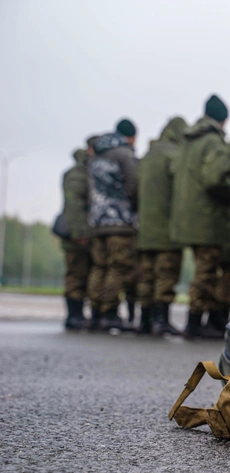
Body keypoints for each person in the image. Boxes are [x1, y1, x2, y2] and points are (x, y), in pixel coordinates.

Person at [170, 95, 230, 339]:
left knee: (202, 268)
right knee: (206, 272)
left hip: (187, 216)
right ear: (223, 120)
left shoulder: (188, 141)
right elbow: (213, 179)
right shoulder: (213, 142)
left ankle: (201, 321)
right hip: (208, 216)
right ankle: (195, 323)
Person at [136, 116, 188, 336]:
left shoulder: (147, 156)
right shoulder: (173, 155)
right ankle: (161, 321)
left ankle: (145, 321)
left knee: (146, 275)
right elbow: (181, 189)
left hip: (145, 227)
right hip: (166, 227)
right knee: (165, 274)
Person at [87, 119, 139, 330]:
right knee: (117, 268)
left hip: (98, 220)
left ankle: (96, 312)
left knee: (99, 267)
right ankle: (110, 313)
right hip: (120, 222)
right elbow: (133, 185)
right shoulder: (124, 154)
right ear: (130, 136)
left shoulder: (97, 154)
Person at [60, 137, 97, 329]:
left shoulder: (90, 171)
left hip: (86, 233)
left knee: (87, 274)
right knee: (76, 274)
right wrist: (80, 233)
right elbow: (74, 206)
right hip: (77, 235)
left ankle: (80, 315)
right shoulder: (77, 174)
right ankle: (74, 316)